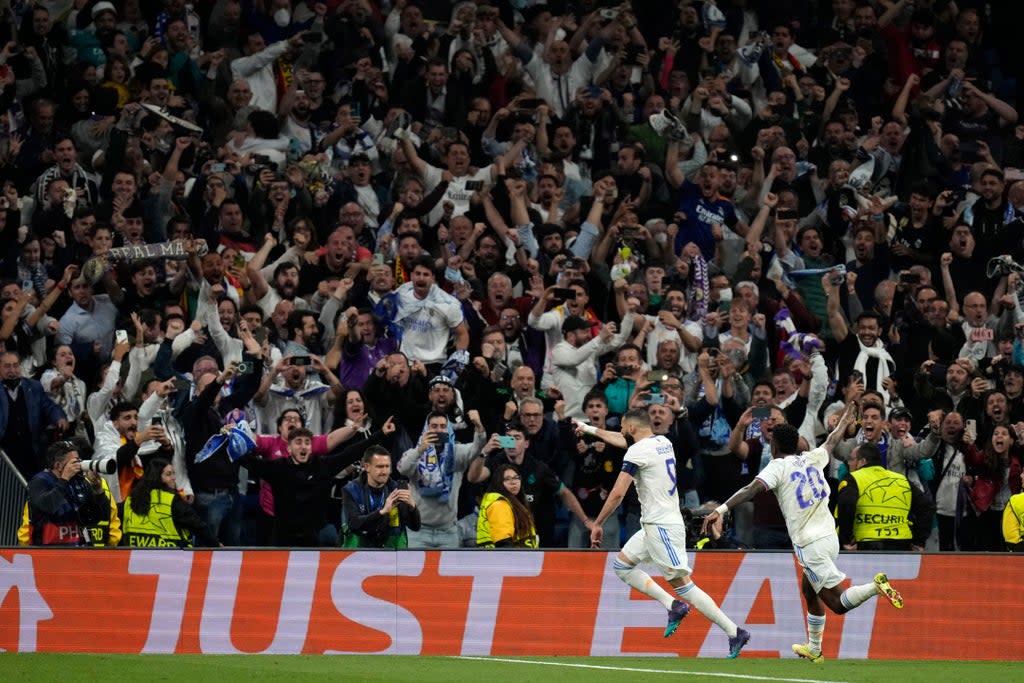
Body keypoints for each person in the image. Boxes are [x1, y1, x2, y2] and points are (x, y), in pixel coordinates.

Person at [701, 406, 905, 665]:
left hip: (810, 543)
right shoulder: (811, 457)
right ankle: (815, 648)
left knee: (838, 603)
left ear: (774, 445)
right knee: (809, 590)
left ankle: (875, 587)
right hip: (829, 537)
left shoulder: (777, 466)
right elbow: (832, 440)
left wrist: (720, 510)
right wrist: (847, 416)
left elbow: (751, 489)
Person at [581, 408, 751, 657]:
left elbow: (617, 493)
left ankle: (735, 632)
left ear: (630, 428)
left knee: (685, 587)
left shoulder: (637, 451)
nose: (619, 432)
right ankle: (672, 606)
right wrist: (588, 429)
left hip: (661, 528)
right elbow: (622, 441)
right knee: (621, 567)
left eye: (621, 428)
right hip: (654, 525)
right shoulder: (663, 441)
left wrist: (598, 523)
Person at [834, 442, 934, 551]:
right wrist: (919, 542)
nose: (849, 463)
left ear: (862, 461)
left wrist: (847, 539)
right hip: (901, 543)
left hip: (865, 545)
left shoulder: (853, 479)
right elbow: (927, 506)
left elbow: (846, 505)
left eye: (852, 459)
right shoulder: (902, 479)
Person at [26, 441, 110, 546]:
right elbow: (48, 506)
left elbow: (104, 516)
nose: (78, 465)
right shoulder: (40, 481)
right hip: (49, 554)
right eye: (74, 462)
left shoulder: (80, 482)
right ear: (58, 465)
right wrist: (64, 479)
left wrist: (98, 491)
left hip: (80, 550)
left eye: (79, 461)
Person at [121, 459, 220, 547]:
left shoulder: (129, 500)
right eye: (168, 474)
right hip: (171, 559)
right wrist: (216, 545)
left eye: (173, 473)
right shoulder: (172, 500)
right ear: (156, 476)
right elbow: (198, 526)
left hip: (135, 559)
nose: (173, 478)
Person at [341, 445, 420, 548]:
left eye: (387, 466)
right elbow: (354, 524)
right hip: (360, 553)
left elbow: (415, 527)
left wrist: (412, 507)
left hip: (391, 554)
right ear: (367, 467)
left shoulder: (396, 490)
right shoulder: (351, 490)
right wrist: (382, 512)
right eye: (380, 467)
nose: (384, 472)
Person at [476, 462, 538, 548]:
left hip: (523, 558)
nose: (513, 482)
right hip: (504, 559)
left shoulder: (512, 503)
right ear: (498, 482)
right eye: (507, 479)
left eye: (516, 478)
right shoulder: (499, 504)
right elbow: (503, 543)